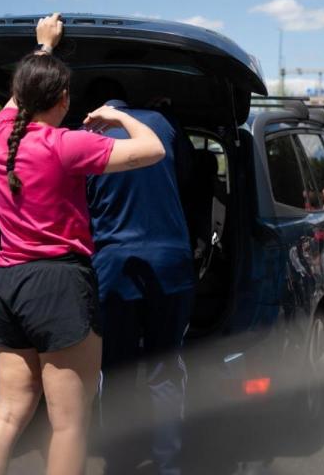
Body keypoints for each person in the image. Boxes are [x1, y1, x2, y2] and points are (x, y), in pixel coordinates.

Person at [0, 14, 166, 475]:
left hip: (8, 281)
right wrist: (117, 114)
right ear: (63, 99)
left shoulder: (1, 137)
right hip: (59, 284)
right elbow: (153, 149)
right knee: (69, 425)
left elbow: (18, 98)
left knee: (8, 413)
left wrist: (44, 48)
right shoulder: (68, 144)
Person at [85, 91, 196, 475]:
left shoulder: (86, 135)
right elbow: (190, 185)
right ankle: (169, 463)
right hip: (171, 261)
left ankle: (117, 460)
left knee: (115, 369)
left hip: (113, 265)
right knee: (165, 367)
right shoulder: (164, 126)